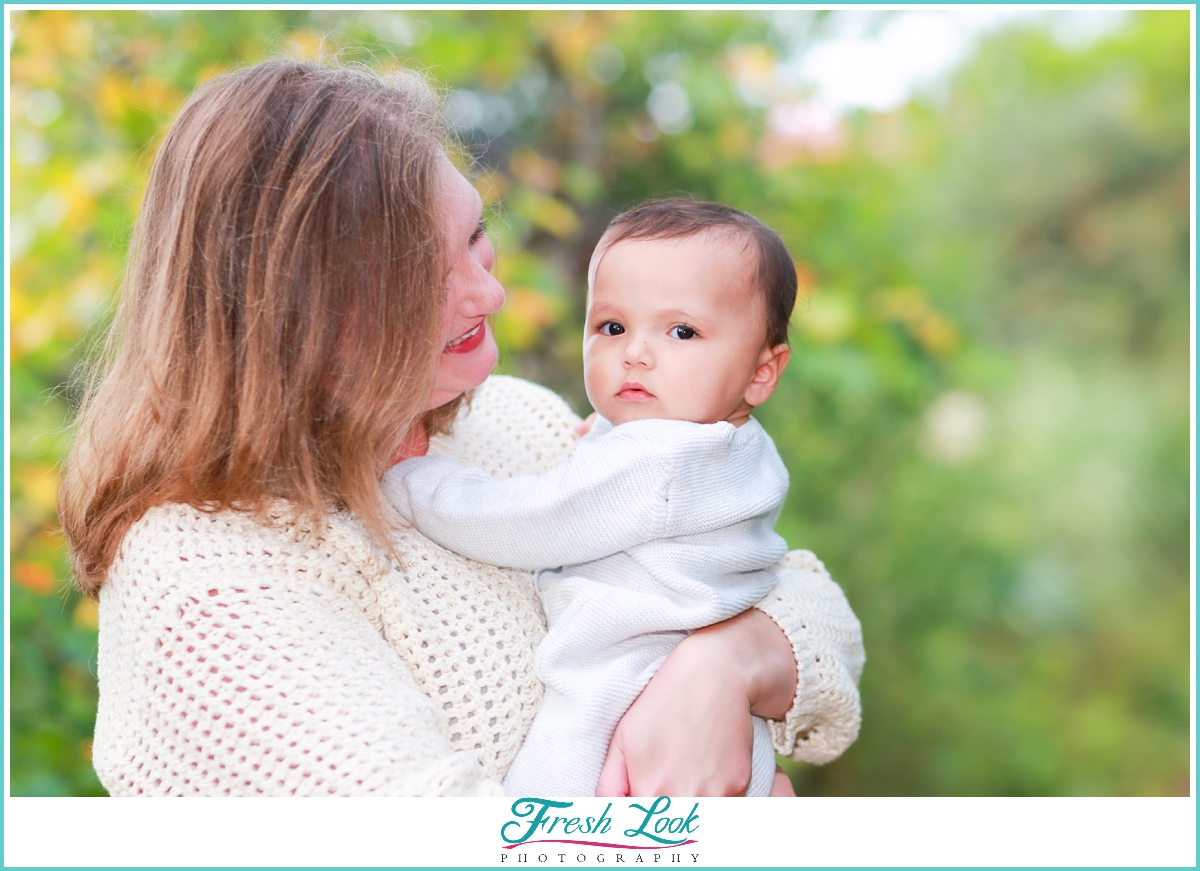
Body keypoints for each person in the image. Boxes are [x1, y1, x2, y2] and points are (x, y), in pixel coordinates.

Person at [57, 58, 865, 797]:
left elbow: (796, 588)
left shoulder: (508, 419)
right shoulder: (206, 589)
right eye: (423, 278)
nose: (487, 293)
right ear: (288, 318)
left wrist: (721, 668)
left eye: (476, 237)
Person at [386, 200, 800, 797]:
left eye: (681, 331)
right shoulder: (734, 450)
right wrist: (609, 439)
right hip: (714, 725)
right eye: (612, 327)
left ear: (763, 372)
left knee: (541, 814)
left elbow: (529, 521)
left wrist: (416, 482)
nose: (635, 352)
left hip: (620, 702)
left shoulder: (657, 463)